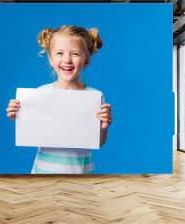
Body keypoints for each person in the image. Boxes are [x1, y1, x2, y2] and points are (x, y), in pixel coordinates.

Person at [6, 25, 112, 174]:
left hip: (80, 175)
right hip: (42, 173)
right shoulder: (40, 93)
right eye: (60, 53)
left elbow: (98, 143)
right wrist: (18, 114)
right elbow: (32, 131)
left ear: (86, 60)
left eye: (75, 53)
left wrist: (104, 126)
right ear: (50, 58)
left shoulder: (95, 96)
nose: (67, 60)